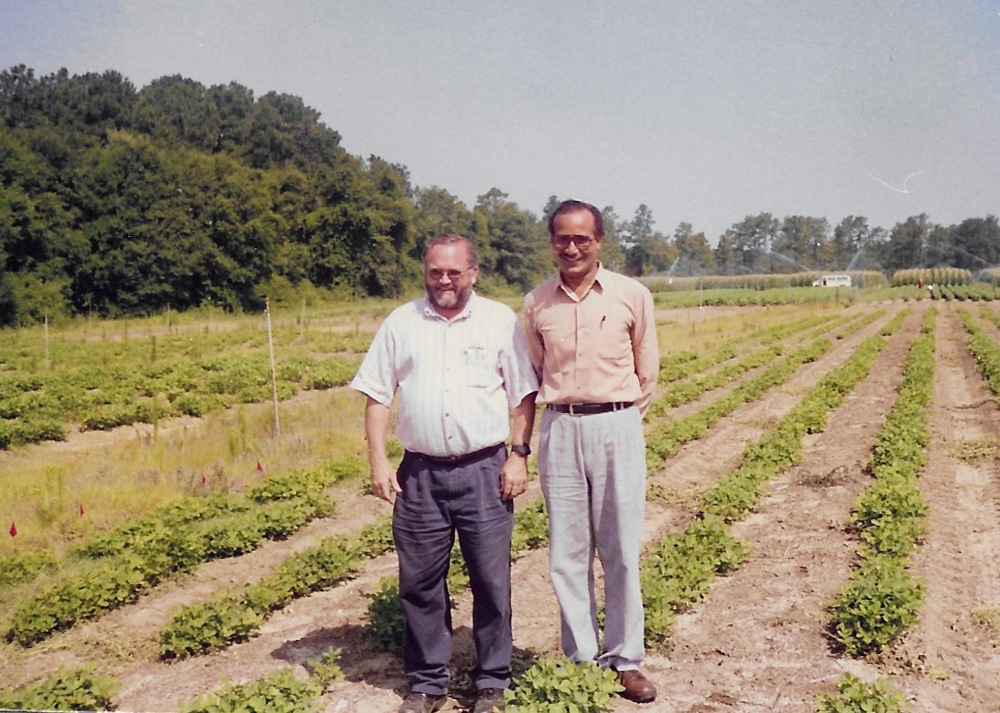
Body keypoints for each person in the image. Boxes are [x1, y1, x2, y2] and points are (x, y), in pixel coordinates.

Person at [351, 233, 538, 713]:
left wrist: (518, 456)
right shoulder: (402, 322)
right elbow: (377, 395)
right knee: (418, 581)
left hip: (485, 470)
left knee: (491, 581)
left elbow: (522, 395)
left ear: (473, 272)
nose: (445, 280)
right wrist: (377, 461)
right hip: (419, 475)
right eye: (436, 271)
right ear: (425, 272)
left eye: (455, 271)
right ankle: (428, 682)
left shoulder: (498, 321)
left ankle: (492, 680)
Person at [522, 199, 660, 704]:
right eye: (563, 238)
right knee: (567, 553)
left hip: (617, 426)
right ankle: (581, 660)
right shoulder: (537, 303)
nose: (572, 247)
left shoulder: (632, 295)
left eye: (582, 238)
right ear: (553, 242)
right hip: (560, 429)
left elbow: (648, 372)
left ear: (598, 240)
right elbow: (536, 374)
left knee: (621, 549)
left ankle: (626, 660)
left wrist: (619, 422)